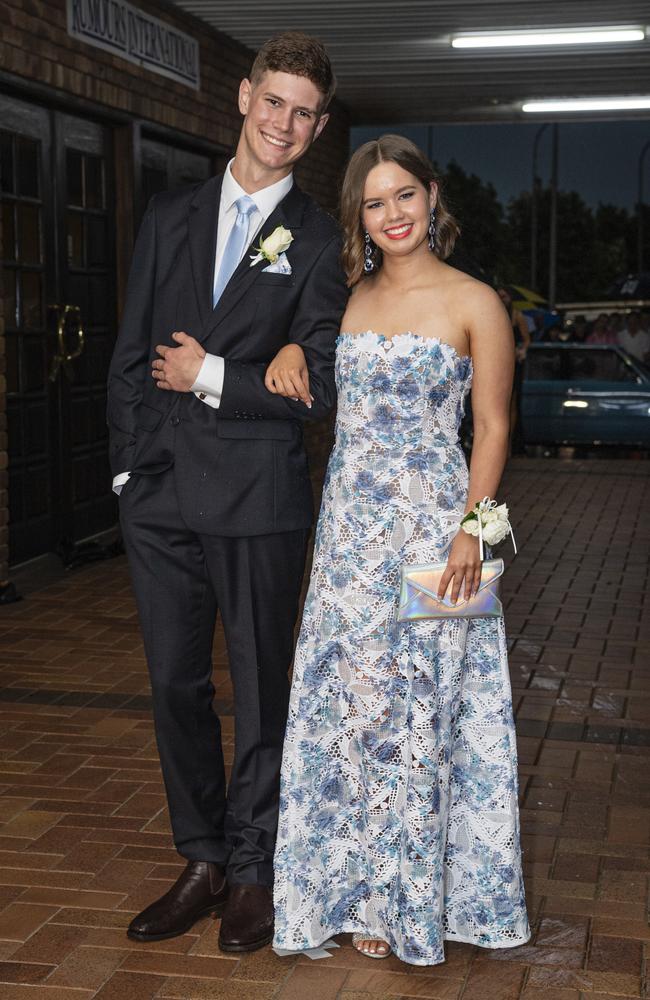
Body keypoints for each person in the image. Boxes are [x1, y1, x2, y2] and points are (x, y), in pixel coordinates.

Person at [107, 32, 348, 952]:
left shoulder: (324, 240)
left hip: (258, 498)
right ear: (244, 98)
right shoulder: (170, 214)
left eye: (303, 112)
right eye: (273, 101)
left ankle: (255, 870)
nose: (284, 123)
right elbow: (131, 353)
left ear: (318, 128)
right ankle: (202, 857)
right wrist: (130, 471)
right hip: (161, 495)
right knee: (174, 686)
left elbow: (319, 376)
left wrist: (215, 376)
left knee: (260, 690)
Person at [269, 135, 530, 966]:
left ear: (432, 195)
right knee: (353, 710)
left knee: (428, 712)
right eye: (374, 204)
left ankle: (417, 895)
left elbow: (494, 428)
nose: (392, 216)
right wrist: (284, 350)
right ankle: (356, 890)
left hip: (438, 533)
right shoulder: (345, 296)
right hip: (348, 536)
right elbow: (305, 361)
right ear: (361, 217)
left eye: (404, 197)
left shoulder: (474, 302)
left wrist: (471, 530)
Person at [496, 286, 531, 455]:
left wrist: (520, 350)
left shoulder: (517, 315)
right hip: (497, 362)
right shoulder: (493, 313)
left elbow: (527, 340)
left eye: (504, 296)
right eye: (499, 296)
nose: (502, 299)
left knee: (512, 402)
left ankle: (509, 443)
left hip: (514, 363)